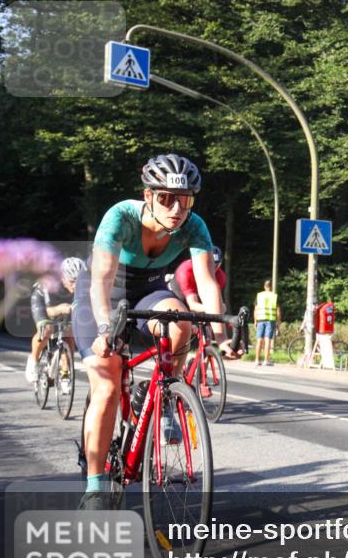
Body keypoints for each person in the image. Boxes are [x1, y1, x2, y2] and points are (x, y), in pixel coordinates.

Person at [75, 154, 239, 510]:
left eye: (186, 199)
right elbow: (101, 281)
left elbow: (208, 283)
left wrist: (222, 336)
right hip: (103, 294)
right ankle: (94, 486)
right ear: (147, 195)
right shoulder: (120, 217)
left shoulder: (194, 226)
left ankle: (164, 394)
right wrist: (106, 328)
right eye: (166, 198)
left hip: (148, 290)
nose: (177, 207)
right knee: (106, 382)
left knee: (181, 321)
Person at [25, 257, 86, 387]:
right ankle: (33, 361)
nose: (76, 285)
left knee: (69, 333)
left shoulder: (83, 285)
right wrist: (60, 309)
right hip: (42, 302)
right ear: (63, 278)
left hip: (65, 305)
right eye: (72, 281)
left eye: (79, 281)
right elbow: (49, 311)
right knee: (46, 329)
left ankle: (65, 372)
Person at [169, 245, 227, 313]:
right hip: (177, 296)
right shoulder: (185, 271)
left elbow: (214, 303)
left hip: (196, 297)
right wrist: (217, 307)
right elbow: (193, 306)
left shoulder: (220, 276)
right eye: (206, 263)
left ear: (220, 264)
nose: (210, 267)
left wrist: (217, 307)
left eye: (215, 265)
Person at [253, 280, 281, 366]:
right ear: (271, 286)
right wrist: (279, 322)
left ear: (264, 286)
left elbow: (256, 309)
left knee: (259, 339)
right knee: (268, 339)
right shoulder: (274, 296)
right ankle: (266, 360)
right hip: (270, 320)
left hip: (260, 319)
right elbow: (278, 311)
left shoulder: (259, 295)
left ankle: (257, 360)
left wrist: (255, 321)